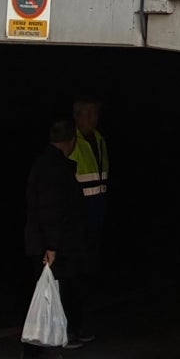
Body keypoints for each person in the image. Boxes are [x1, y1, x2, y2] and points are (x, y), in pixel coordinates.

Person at [20, 118, 92, 359]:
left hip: (46, 243)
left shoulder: (45, 164)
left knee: (48, 299)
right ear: (71, 141)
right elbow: (50, 209)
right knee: (44, 300)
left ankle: (44, 354)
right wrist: (51, 246)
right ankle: (33, 358)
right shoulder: (54, 168)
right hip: (48, 246)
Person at [67, 95, 110, 344]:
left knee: (86, 278)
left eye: (96, 113)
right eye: (88, 113)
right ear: (77, 115)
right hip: (77, 221)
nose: (93, 118)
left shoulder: (100, 140)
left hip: (95, 219)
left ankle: (80, 324)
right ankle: (70, 328)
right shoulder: (74, 142)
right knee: (73, 278)